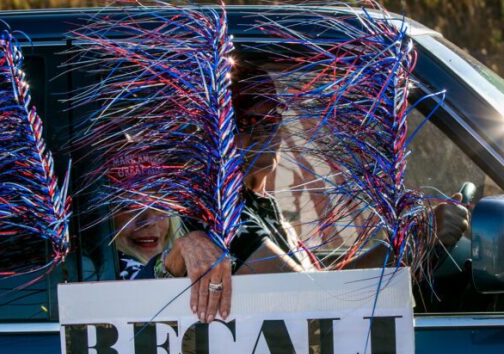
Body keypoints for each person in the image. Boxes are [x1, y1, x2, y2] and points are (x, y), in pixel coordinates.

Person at [151, 61, 469, 321]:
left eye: (273, 114)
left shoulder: (259, 204)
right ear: (216, 131)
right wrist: (419, 238)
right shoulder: (222, 215)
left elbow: (314, 283)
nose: (267, 127)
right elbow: (312, 302)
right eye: (248, 118)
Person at [114, 209, 183, 280]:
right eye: (131, 207)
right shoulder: (112, 269)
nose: (149, 222)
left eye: (158, 206)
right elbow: (136, 288)